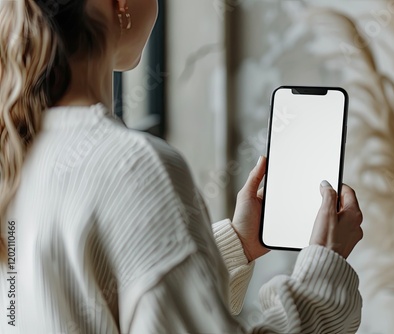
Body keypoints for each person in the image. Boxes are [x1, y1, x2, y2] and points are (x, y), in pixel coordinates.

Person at [0, 0, 364, 333]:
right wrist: (324, 275)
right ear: (121, 3)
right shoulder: (136, 168)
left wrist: (236, 244)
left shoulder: (15, 151)